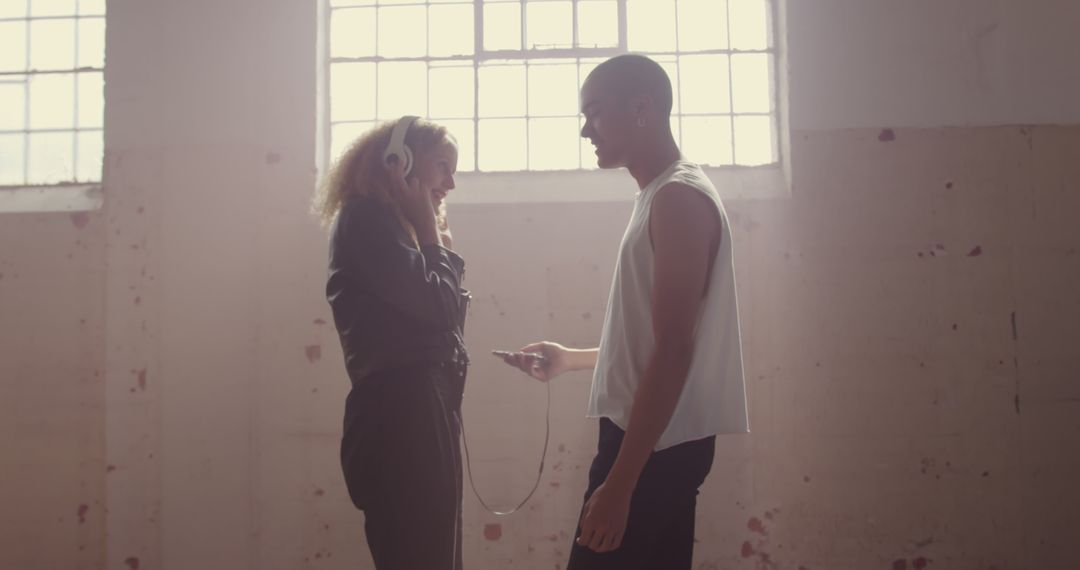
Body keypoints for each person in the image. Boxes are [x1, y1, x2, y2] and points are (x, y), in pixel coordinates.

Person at [500, 54, 750, 570]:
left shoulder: (677, 197)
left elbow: (677, 348)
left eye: (594, 113)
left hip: (652, 446)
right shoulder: (660, 194)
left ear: (642, 107)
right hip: (657, 439)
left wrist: (619, 485)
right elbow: (658, 341)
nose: (584, 130)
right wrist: (573, 359)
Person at [313, 116, 468, 570]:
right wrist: (432, 236)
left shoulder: (399, 232)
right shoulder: (364, 219)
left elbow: (447, 322)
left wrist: (428, 237)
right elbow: (440, 309)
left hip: (421, 413)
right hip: (402, 418)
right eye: (443, 166)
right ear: (397, 161)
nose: (451, 183)